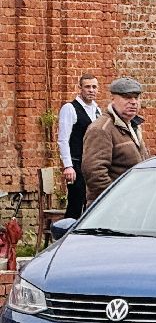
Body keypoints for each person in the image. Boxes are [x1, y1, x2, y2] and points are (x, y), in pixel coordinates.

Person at [81, 77, 150, 205]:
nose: (133, 102)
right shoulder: (101, 129)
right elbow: (95, 173)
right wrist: (116, 200)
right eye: (127, 97)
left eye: (136, 97)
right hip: (112, 208)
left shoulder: (133, 126)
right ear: (113, 99)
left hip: (135, 203)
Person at [56, 73, 101, 218]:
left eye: (94, 87)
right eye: (87, 87)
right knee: (76, 202)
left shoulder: (97, 110)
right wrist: (68, 166)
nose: (91, 90)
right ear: (80, 88)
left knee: (92, 203)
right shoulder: (70, 108)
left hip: (92, 164)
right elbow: (63, 139)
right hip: (76, 164)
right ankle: (66, 236)